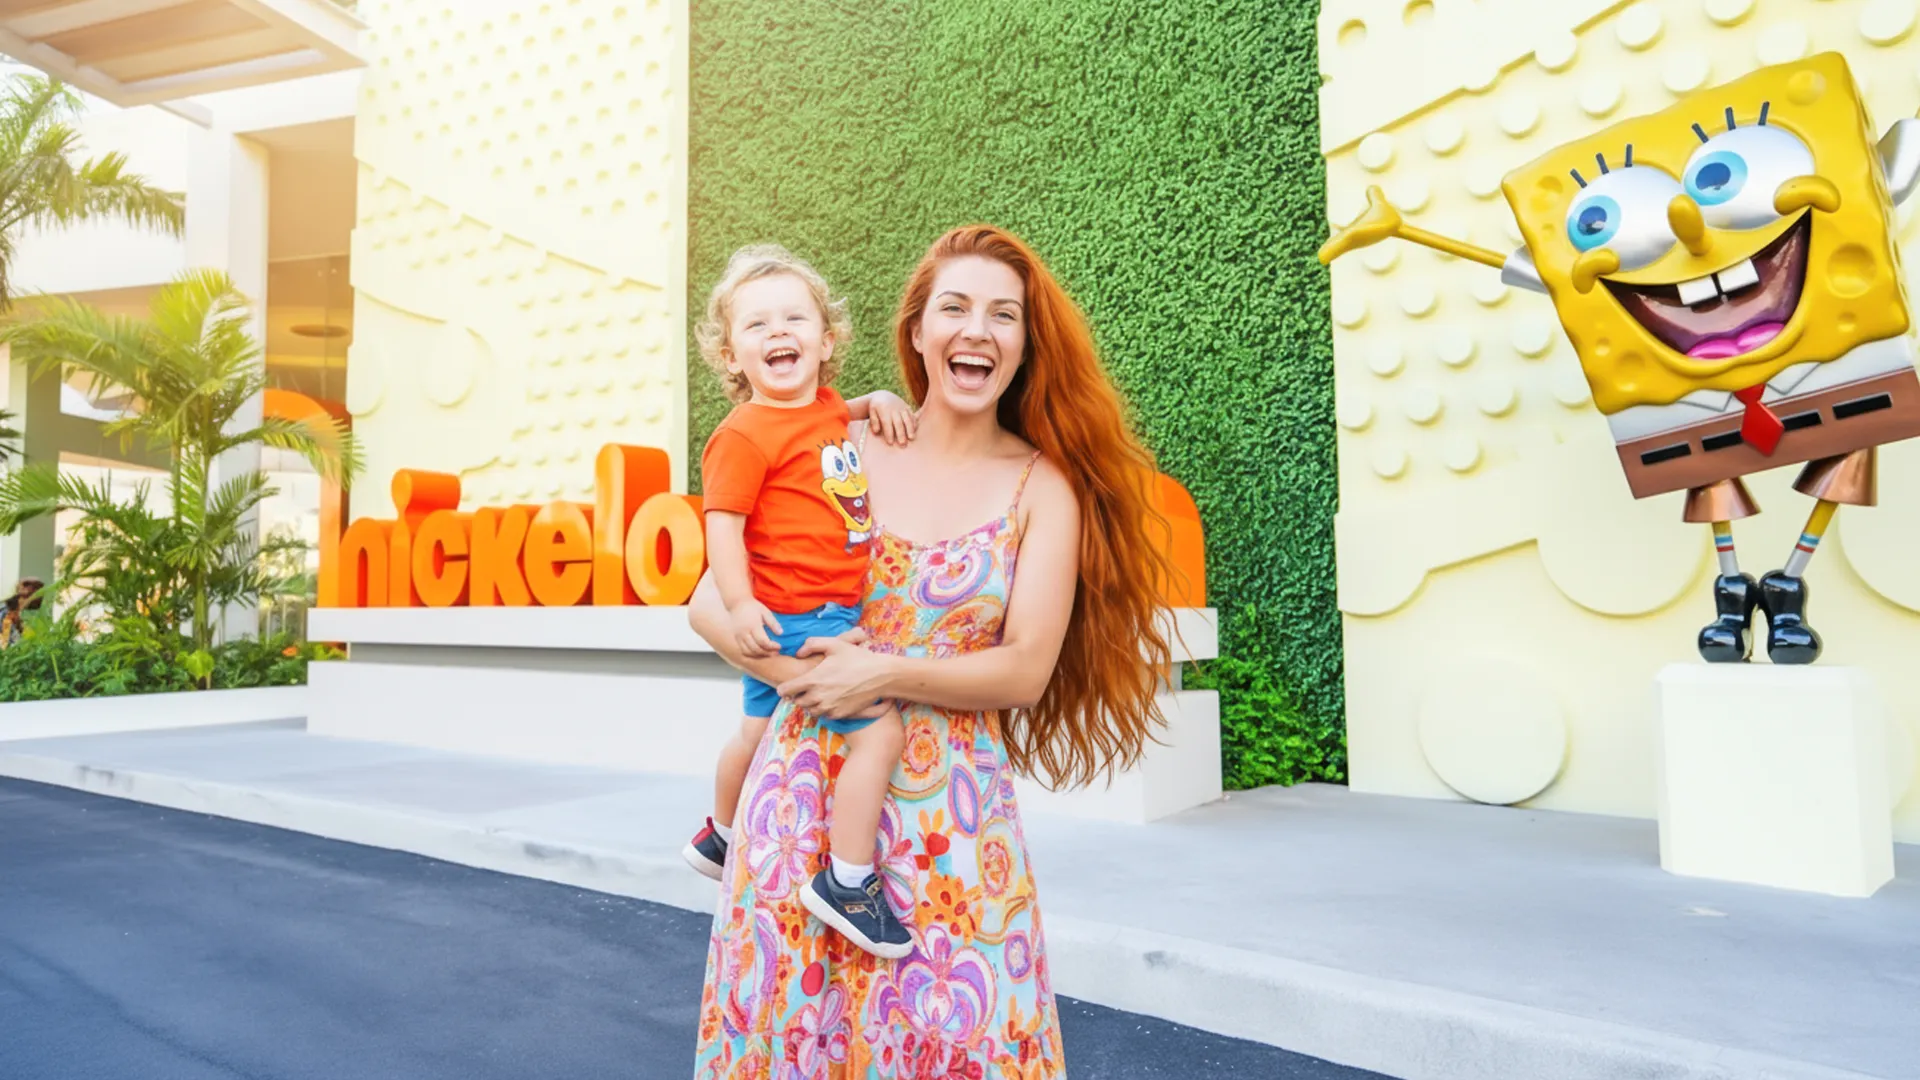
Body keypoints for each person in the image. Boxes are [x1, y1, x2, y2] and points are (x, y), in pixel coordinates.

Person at [687, 225, 1176, 1078]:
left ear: (1025, 346)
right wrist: (801, 676)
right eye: (953, 308)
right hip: (804, 810)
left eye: (1004, 315)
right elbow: (705, 602)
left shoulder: (1041, 487)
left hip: (953, 830)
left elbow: (1024, 668)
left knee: (958, 1046)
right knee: (792, 1043)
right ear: (917, 332)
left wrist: (882, 672)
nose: (976, 329)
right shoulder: (848, 446)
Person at [684, 245, 920, 959]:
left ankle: (720, 835)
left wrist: (872, 401)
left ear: (827, 340)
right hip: (795, 618)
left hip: (805, 613)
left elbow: (829, 418)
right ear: (732, 355)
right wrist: (740, 602)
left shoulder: (819, 407)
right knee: (879, 735)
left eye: (794, 318)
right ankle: (848, 880)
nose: (777, 332)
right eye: (757, 325)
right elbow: (720, 523)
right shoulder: (741, 435)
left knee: (755, 737)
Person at [1, 577, 44, 648]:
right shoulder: (6, 615)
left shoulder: (16, 615)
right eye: (40, 595)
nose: (41, 600)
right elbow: (7, 645)